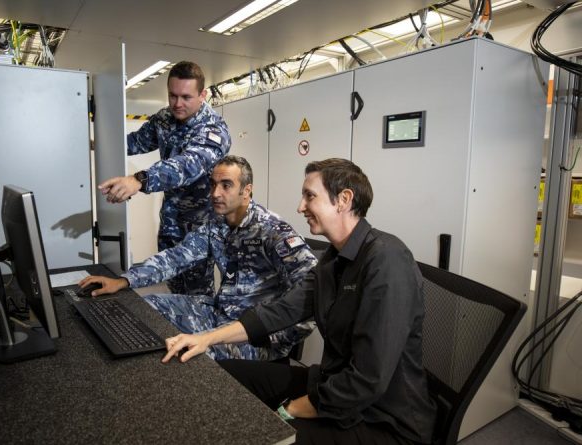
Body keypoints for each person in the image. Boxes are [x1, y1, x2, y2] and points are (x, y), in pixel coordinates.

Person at [162, 158, 437, 445]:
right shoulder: (333, 260)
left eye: (310, 196)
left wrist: (291, 409)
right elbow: (280, 311)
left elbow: (369, 379)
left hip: (382, 419)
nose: (300, 207)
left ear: (343, 200)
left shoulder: (387, 261)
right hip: (333, 385)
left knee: (266, 434)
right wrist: (207, 339)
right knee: (225, 374)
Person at [80, 156, 316, 361]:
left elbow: (313, 297)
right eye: (213, 184)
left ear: (247, 190)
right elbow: (175, 258)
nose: (215, 193)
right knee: (146, 306)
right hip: (219, 314)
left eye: (226, 185)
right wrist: (124, 281)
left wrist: (276, 340)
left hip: (253, 336)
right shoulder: (216, 224)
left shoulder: (273, 232)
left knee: (189, 354)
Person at [97, 61, 230, 296]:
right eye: (172, 95)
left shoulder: (214, 130)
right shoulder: (164, 119)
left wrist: (139, 179)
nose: (177, 104)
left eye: (186, 97)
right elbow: (135, 142)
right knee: (173, 289)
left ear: (203, 95)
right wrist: (95, 141)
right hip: (170, 224)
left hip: (198, 231)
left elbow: (188, 164)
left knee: (196, 299)